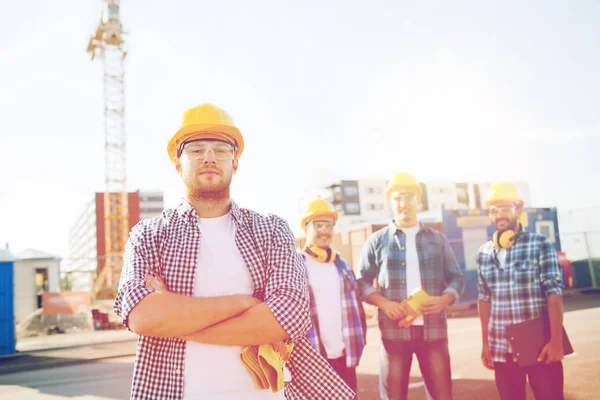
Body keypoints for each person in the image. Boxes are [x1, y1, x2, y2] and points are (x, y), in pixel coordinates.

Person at [114, 103, 354, 400]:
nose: (210, 157)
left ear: (235, 163)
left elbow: (288, 318)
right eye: (196, 149)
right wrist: (244, 302)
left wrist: (174, 320)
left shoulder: (271, 229)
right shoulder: (148, 235)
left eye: (221, 150)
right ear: (177, 164)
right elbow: (141, 317)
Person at [356, 172, 465, 400]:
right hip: (394, 333)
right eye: (397, 198)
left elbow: (456, 277)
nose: (403, 203)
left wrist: (444, 299)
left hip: (433, 332)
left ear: (418, 200)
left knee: (442, 396)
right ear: (390, 202)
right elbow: (361, 281)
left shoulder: (438, 239)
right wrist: (384, 303)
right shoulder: (377, 241)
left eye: (409, 197)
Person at [477, 182, 565, 400]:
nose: (499, 215)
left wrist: (556, 342)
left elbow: (554, 295)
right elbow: (484, 299)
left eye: (505, 208)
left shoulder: (540, 244)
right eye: (494, 210)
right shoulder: (484, 252)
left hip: (539, 346)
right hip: (501, 347)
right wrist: (486, 344)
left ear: (519, 209)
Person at [299, 198, 367, 394]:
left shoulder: (343, 266)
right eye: (318, 225)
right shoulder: (296, 265)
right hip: (313, 359)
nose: (324, 231)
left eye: (328, 225)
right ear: (305, 228)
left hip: (345, 357)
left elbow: (357, 309)